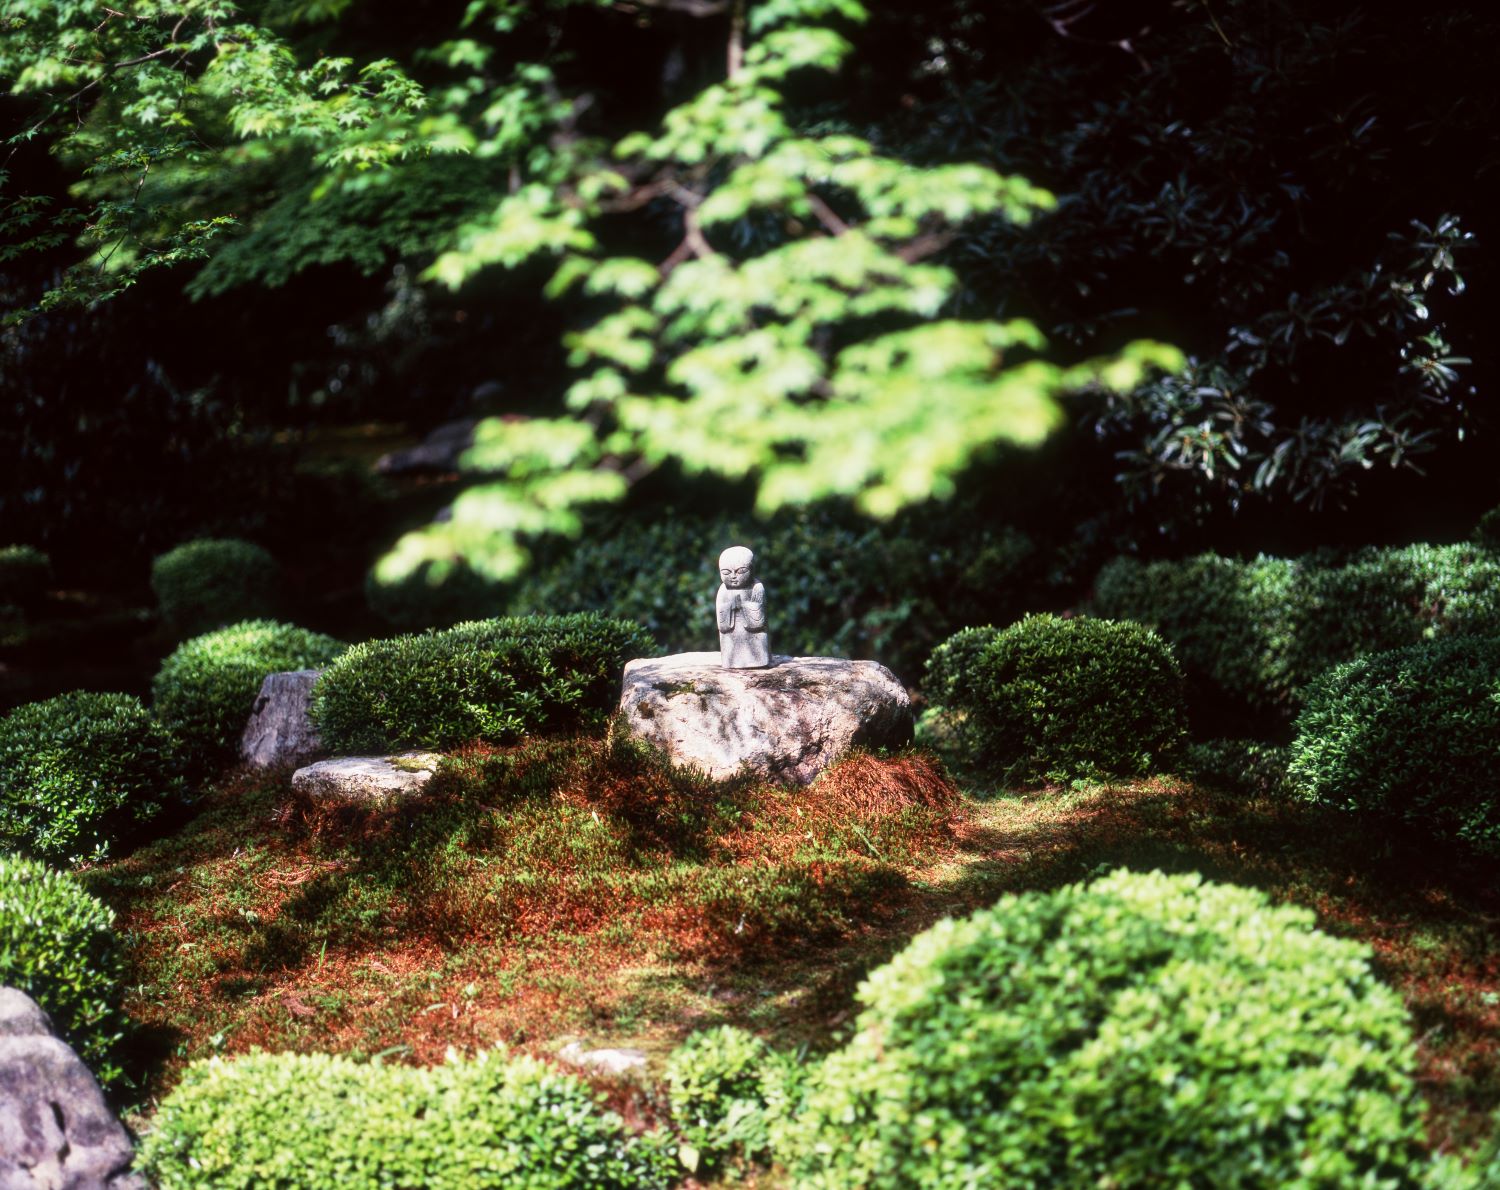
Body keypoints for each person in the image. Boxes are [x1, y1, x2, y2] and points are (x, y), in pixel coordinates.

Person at [716, 545, 771, 668]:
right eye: (726, 572)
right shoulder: (723, 590)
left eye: (740, 571)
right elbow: (722, 624)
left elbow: (760, 619)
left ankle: (759, 660)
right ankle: (732, 662)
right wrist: (730, 607)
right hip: (731, 638)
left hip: (753, 637)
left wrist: (743, 606)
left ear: (751, 569)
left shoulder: (756, 587)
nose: (733, 576)